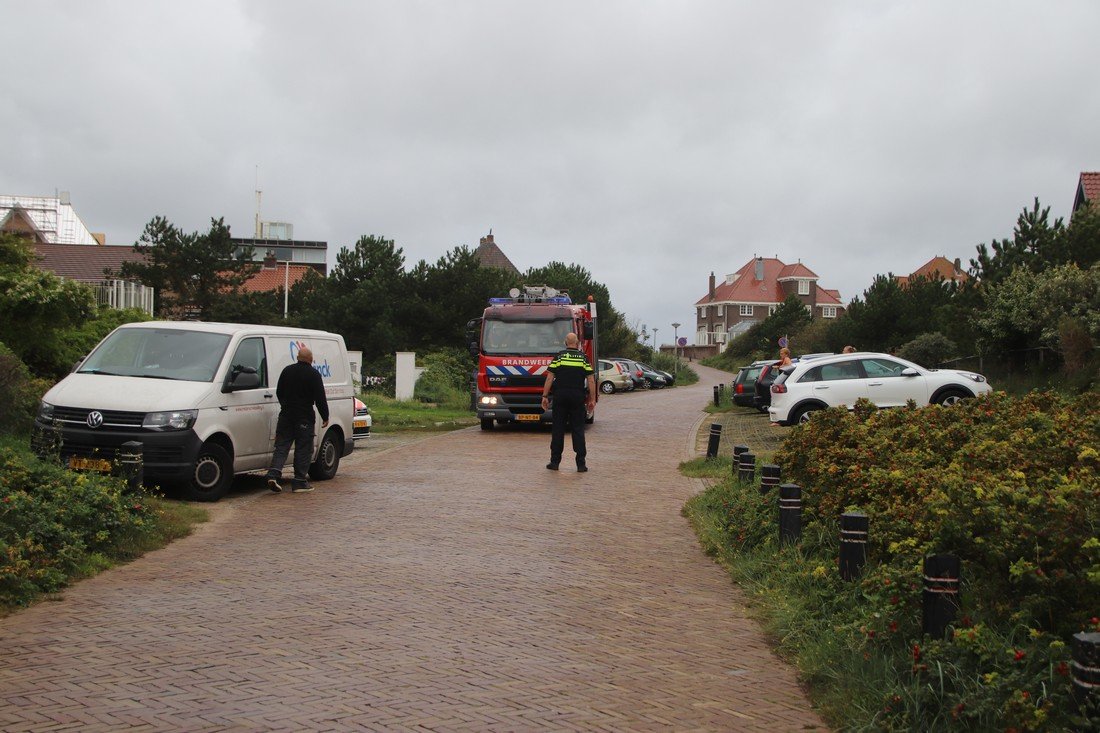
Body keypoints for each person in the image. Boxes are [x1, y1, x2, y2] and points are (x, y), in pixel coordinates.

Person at [266, 346, 329, 493]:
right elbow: (320, 398)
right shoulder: (314, 374)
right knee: (303, 448)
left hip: (286, 415)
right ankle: (300, 481)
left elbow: (279, 391)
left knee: (281, 446)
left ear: (297, 357)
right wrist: (325, 416)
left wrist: (286, 405)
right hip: (304, 417)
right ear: (311, 360)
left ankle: (273, 474)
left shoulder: (287, 371)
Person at [540, 333, 596, 473]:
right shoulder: (583, 358)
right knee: (578, 429)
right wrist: (592, 399)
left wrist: (545, 396)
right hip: (577, 397)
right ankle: (581, 464)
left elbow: (549, 378)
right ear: (577, 343)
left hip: (560, 396)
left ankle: (555, 462)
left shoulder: (559, 357)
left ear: (566, 342)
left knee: (558, 429)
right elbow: (590, 380)